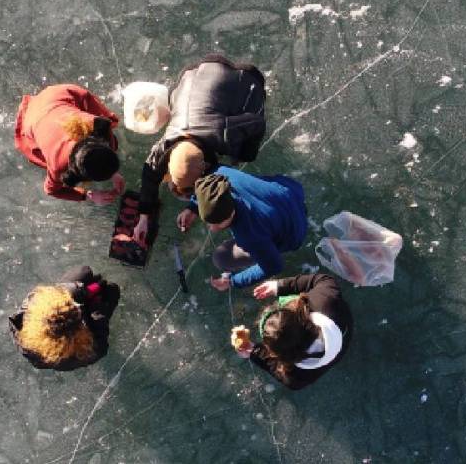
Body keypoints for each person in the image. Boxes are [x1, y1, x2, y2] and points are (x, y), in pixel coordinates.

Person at [131, 54, 267, 246]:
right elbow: (149, 176)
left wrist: (245, 153)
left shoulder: (224, 134)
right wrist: (144, 217)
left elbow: (258, 123)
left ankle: (243, 79)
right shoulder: (166, 144)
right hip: (188, 73)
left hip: (242, 73)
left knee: (247, 155)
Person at [178, 167, 307, 290]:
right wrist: (193, 207)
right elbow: (206, 187)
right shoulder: (221, 174)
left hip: (295, 232)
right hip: (290, 191)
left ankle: (273, 245)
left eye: (215, 223)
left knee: (221, 257)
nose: (211, 228)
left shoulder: (250, 235)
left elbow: (274, 266)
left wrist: (233, 281)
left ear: (229, 215)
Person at [232, 273, 353, 390]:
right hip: (343, 328)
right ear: (297, 313)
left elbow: (278, 369)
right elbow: (323, 279)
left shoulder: (296, 377)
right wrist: (280, 286)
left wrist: (253, 351)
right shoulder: (325, 300)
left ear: (277, 355)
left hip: (337, 350)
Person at [14, 84, 125, 204]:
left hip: (57, 96)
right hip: (33, 117)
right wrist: (88, 195)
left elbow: (105, 125)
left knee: (112, 135)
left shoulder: (96, 124)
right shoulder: (58, 167)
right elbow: (51, 190)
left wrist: (113, 172)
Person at [8, 266, 120, 370]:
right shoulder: (69, 357)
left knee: (84, 271)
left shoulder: (31, 308)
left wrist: (82, 291)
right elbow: (100, 349)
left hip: (61, 327)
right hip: (69, 340)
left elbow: (56, 294)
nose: (78, 307)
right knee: (112, 290)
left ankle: (81, 292)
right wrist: (97, 313)